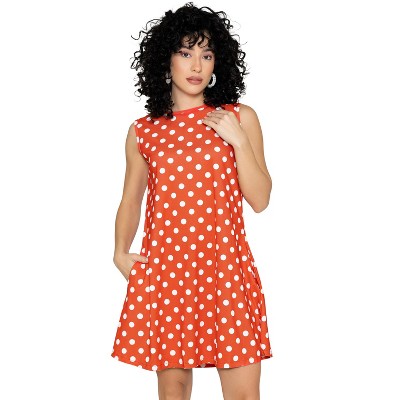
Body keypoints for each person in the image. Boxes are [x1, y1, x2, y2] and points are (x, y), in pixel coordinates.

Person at [110, 3, 273, 399]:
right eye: (185, 52)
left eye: (207, 54)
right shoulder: (144, 131)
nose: (197, 65)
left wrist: (238, 142)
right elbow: (131, 199)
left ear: (218, 62)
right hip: (168, 271)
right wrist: (120, 252)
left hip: (225, 267)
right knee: (174, 391)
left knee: (244, 394)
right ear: (166, 60)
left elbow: (260, 199)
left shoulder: (239, 117)